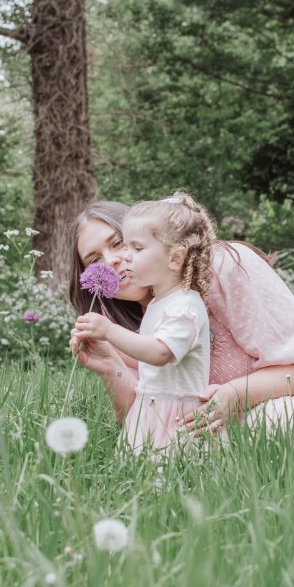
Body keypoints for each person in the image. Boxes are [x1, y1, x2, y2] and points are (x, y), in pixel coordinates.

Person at [68, 200, 294, 446]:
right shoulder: (113, 326)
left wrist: (234, 394)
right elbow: (143, 420)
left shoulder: (223, 266)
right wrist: (110, 367)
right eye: (94, 261)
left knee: (273, 425)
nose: (111, 261)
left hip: (286, 397)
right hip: (205, 424)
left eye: (119, 243)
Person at [73, 194, 214, 452]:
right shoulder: (159, 304)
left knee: (171, 465)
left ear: (175, 258)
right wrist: (108, 361)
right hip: (153, 407)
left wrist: (109, 331)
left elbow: (161, 353)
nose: (122, 258)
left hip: (178, 414)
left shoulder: (184, 306)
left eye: (131, 247)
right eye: (94, 260)